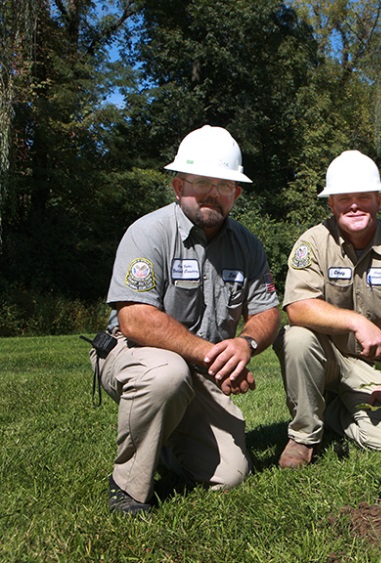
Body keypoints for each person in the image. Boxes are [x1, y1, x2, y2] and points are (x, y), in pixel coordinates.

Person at [92, 125, 280, 516]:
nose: (213, 192)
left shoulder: (248, 245)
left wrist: (245, 345)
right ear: (178, 187)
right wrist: (214, 356)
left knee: (231, 475)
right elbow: (135, 319)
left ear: (237, 193)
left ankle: (163, 442)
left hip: (196, 368)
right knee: (167, 373)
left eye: (224, 184)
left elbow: (266, 311)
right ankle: (128, 489)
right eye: (201, 182)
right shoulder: (148, 233)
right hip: (135, 355)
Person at [273, 150, 381, 469]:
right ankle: (303, 435)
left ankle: (329, 412)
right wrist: (355, 321)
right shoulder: (311, 243)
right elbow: (297, 309)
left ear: (378, 201)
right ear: (331, 204)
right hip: (324, 355)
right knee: (295, 337)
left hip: (372, 366)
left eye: (364, 197)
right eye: (344, 198)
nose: (355, 205)